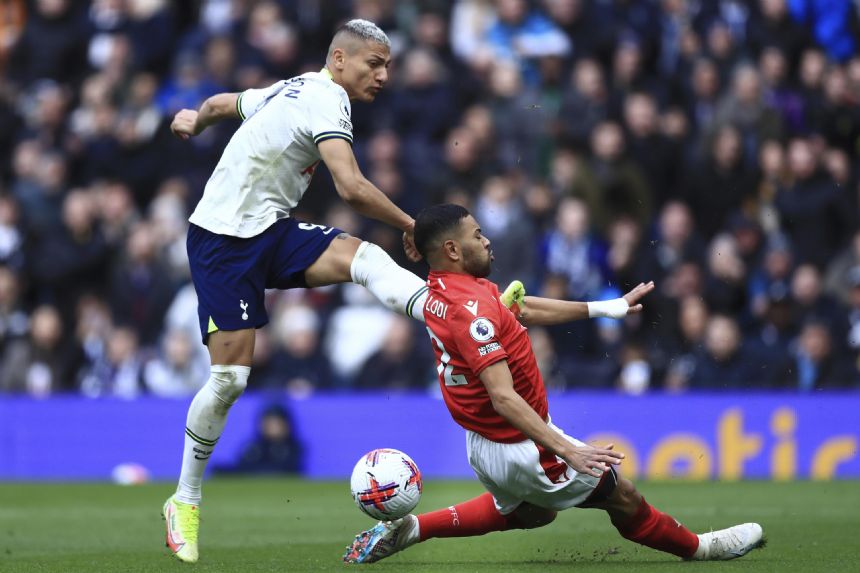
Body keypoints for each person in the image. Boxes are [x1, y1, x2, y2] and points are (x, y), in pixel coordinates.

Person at [343, 204, 764, 564]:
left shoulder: (444, 291)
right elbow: (504, 397)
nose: (487, 240)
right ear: (452, 249)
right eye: (477, 234)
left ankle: (415, 528)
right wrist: (569, 450)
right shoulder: (474, 312)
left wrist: (609, 307)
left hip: (484, 444)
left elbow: (520, 309)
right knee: (623, 497)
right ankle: (701, 549)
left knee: (535, 514)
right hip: (522, 443)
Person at [161, 20, 437, 563]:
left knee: (363, 258)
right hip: (222, 240)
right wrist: (416, 227)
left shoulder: (289, 87)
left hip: (271, 230)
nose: (383, 76)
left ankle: (447, 308)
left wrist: (196, 118)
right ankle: (184, 499)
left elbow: (225, 102)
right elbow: (352, 187)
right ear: (339, 58)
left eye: (387, 66)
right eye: (373, 64)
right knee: (230, 380)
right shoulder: (326, 99)